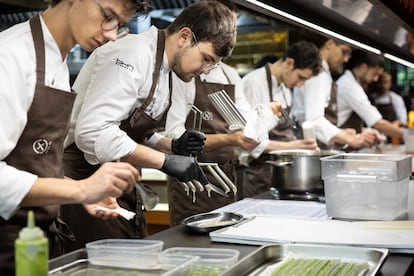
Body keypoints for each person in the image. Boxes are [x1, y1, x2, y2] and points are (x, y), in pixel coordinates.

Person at [61, 0, 237, 252]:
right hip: (82, 180)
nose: (206, 70)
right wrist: (164, 161)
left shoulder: (170, 70)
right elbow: (93, 132)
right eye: (206, 59)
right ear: (185, 36)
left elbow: (132, 129)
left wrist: (170, 144)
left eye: (213, 64)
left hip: (117, 181)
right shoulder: (132, 54)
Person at [0, 0, 151, 273]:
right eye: (107, 16)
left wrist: (82, 196)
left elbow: (30, 162)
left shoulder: (56, 60)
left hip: (36, 239)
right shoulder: (10, 56)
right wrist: (80, 188)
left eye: (119, 24)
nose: (112, 34)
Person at [240, 40, 321, 198]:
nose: (299, 84)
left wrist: (302, 146)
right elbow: (249, 140)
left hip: (282, 174)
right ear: (289, 63)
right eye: (300, 77)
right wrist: (291, 146)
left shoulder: (285, 88)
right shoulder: (254, 83)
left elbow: (285, 129)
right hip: (259, 175)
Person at [292, 37, 377, 150]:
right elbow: (314, 121)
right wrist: (351, 140)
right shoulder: (317, 74)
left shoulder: (324, 73)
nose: (346, 59)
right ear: (330, 43)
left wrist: (341, 133)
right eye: (344, 52)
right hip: (310, 146)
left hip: (319, 145)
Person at [337, 50, 404, 143]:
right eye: (375, 74)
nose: (376, 79)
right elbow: (377, 122)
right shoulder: (350, 87)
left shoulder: (351, 82)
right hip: (340, 143)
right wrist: (407, 134)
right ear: (364, 67)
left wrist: (364, 131)